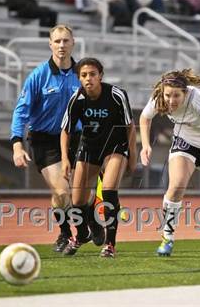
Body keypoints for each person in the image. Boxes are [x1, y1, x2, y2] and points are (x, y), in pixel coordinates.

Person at [10, 25, 104, 254]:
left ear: (73, 43)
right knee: (62, 192)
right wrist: (17, 145)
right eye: (57, 41)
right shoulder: (38, 75)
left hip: (78, 138)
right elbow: (21, 111)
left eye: (66, 41)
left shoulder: (83, 74)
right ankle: (70, 233)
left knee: (85, 192)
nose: (62, 45)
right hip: (45, 140)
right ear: (50, 44)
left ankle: (90, 216)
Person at [139, 68, 200, 257]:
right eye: (168, 95)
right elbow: (145, 118)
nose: (171, 101)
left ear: (185, 92)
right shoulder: (159, 97)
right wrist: (146, 145)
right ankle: (167, 238)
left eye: (176, 96)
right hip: (185, 143)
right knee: (177, 186)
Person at [61, 57, 137, 258]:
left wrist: (133, 157)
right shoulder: (77, 99)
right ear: (79, 78)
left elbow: (130, 127)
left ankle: (110, 244)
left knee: (110, 190)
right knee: (77, 199)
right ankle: (82, 234)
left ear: (100, 76)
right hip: (89, 147)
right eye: (84, 75)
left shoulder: (116, 95)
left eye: (93, 74)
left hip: (115, 147)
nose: (88, 79)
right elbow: (66, 131)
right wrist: (65, 159)